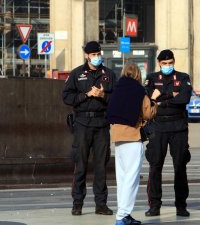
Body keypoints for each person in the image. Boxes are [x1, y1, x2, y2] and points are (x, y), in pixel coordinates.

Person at [62, 41, 117, 216]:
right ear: (87, 55)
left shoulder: (108, 74)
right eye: (93, 54)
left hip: (101, 124)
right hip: (82, 124)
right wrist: (86, 95)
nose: (97, 56)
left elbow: (116, 99)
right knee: (81, 164)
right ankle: (77, 203)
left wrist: (103, 95)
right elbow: (67, 97)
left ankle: (101, 204)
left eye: (98, 53)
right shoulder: (77, 74)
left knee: (101, 165)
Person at [107, 62, 158, 225]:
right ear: (138, 74)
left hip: (118, 137)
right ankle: (122, 215)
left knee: (122, 178)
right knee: (131, 178)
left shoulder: (117, 89)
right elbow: (147, 113)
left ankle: (123, 214)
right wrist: (154, 100)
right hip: (132, 137)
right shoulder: (139, 91)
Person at [144, 49, 192, 217]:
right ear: (159, 63)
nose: (167, 66)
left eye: (170, 63)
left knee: (180, 166)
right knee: (155, 166)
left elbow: (184, 99)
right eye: (164, 64)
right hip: (158, 126)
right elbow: (148, 98)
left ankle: (181, 205)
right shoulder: (151, 78)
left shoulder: (183, 77)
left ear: (174, 62)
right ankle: (154, 205)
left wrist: (162, 99)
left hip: (178, 126)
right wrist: (171, 95)